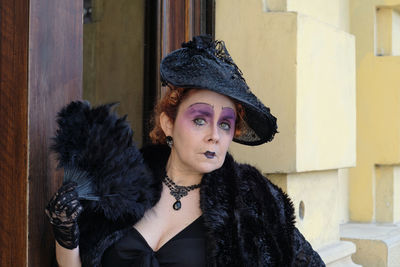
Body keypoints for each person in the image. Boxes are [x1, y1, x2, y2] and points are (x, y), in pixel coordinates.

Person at [46, 35, 325, 266]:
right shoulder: (122, 183)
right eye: (200, 120)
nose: (214, 136)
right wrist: (66, 235)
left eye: (226, 125)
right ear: (168, 123)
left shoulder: (251, 199)